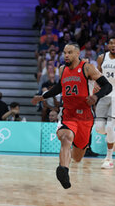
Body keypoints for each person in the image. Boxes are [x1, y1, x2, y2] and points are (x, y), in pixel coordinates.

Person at [32, 43, 112, 189]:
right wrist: (43, 96)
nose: (66, 55)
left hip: (85, 118)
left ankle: (71, 159)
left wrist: (96, 96)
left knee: (77, 157)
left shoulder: (87, 68)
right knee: (65, 137)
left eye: (69, 52)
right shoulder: (62, 69)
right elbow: (59, 87)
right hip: (68, 114)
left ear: (77, 53)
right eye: (64, 52)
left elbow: (108, 86)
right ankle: (63, 171)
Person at [95, 36, 115, 168]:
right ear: (108, 45)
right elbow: (97, 75)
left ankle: (108, 158)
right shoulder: (102, 58)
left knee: (109, 127)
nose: (113, 45)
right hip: (104, 95)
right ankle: (112, 136)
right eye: (111, 43)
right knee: (99, 128)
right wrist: (95, 84)